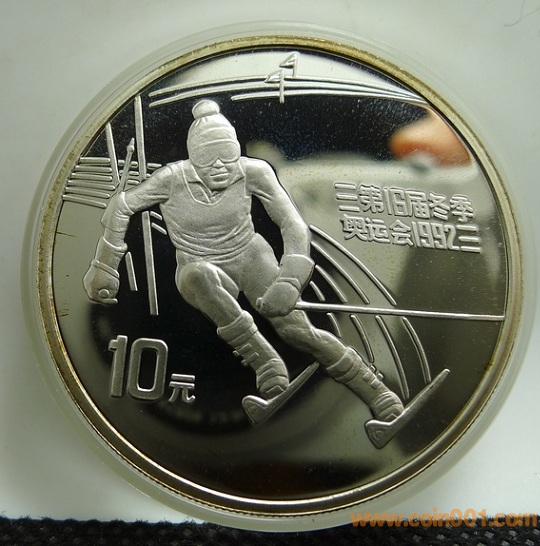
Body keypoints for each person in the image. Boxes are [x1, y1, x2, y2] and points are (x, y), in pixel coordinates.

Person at [83, 99, 404, 422]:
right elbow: (121, 206)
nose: (221, 167)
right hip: (200, 263)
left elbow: (291, 222)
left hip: (251, 257)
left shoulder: (253, 171)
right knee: (197, 276)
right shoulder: (172, 178)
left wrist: (289, 280)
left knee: (297, 331)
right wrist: (105, 268)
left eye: (228, 156)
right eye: (209, 159)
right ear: (194, 157)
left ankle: (374, 390)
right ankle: (264, 359)